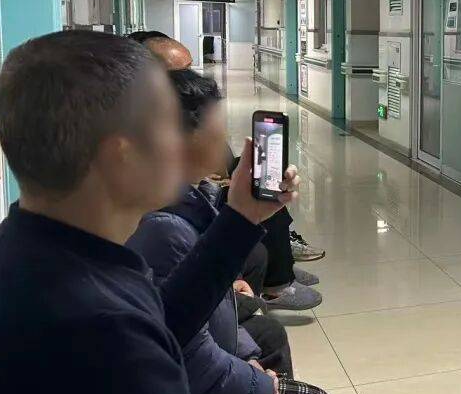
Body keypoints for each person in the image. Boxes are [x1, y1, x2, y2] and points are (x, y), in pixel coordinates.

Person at [0, 30, 373, 394]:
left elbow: (168, 319)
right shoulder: (98, 330)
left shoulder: (32, 251)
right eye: (169, 124)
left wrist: (242, 217)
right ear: (122, 154)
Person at [128, 68, 338, 394]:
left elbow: (207, 306)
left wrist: (248, 359)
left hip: (213, 387)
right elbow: (189, 351)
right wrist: (258, 386)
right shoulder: (163, 229)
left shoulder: (189, 204)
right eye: (216, 124)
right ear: (179, 138)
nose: (226, 135)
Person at [130, 30, 326, 309]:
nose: (192, 77)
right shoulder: (162, 226)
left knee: (262, 185)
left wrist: (243, 209)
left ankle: (281, 265)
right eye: (181, 73)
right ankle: (276, 281)